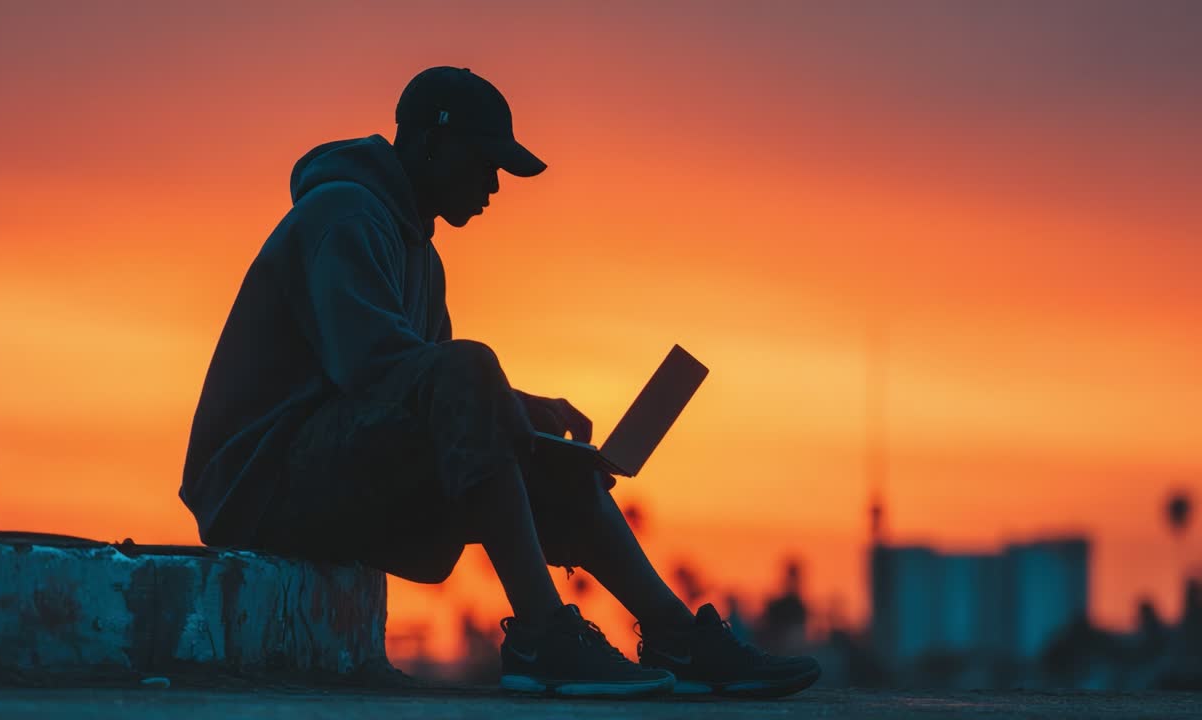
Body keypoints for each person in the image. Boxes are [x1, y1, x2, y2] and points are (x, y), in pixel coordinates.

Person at [180, 66, 820, 698]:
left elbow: (427, 407)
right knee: (470, 365)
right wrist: (510, 404)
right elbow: (371, 367)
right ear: (433, 143)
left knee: (547, 459)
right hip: (259, 485)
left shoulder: (421, 259)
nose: (493, 185)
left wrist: (523, 433)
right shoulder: (343, 214)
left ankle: (679, 638)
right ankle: (542, 635)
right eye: (485, 162)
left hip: (328, 471)